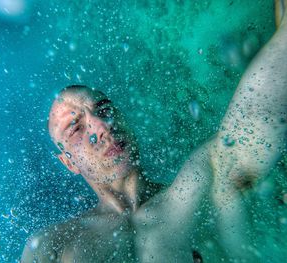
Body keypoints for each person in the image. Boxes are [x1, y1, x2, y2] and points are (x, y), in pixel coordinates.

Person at [21, 1, 287, 262]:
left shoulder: (199, 189)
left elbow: (255, 120)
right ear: (69, 162)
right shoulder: (50, 246)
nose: (102, 126)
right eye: (75, 127)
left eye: (103, 109)